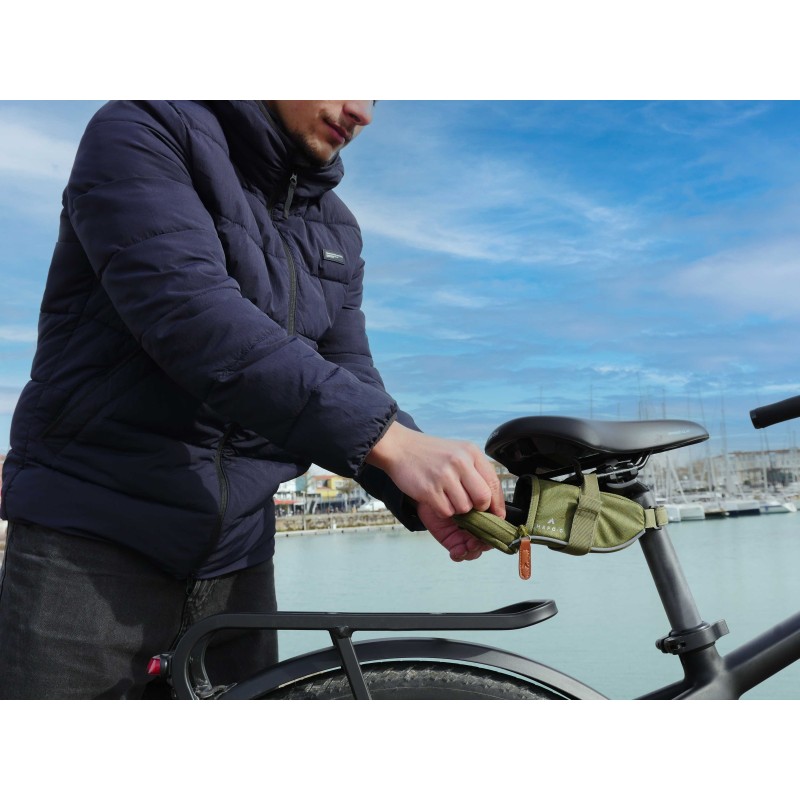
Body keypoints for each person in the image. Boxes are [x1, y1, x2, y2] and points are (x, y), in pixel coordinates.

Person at [0, 101, 504, 699]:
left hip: (240, 568)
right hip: (89, 550)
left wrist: (417, 488)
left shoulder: (336, 226)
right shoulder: (141, 130)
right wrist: (391, 443)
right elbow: (191, 316)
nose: (361, 112)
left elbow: (348, 371)